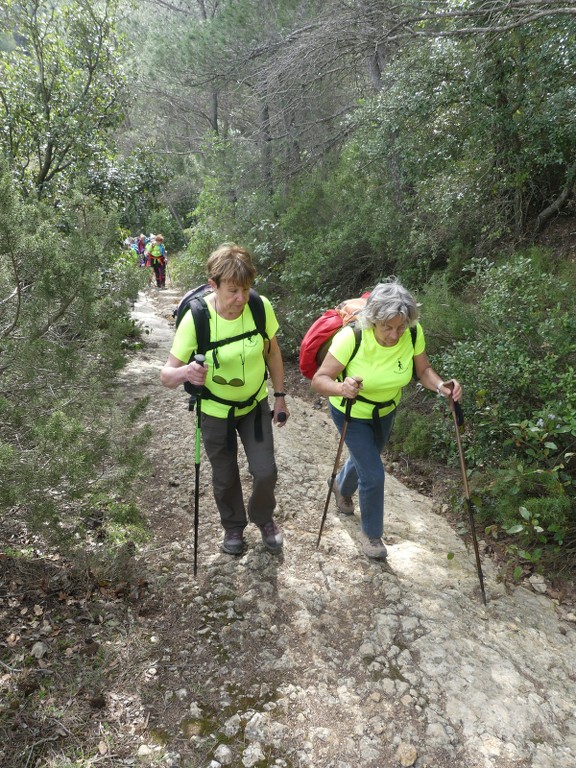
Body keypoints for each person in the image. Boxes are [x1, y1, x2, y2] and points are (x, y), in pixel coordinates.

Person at [311, 279, 462, 560]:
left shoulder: (413, 334)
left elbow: (424, 370)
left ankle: (341, 486)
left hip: (386, 410)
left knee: (367, 457)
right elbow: (319, 381)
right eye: (387, 327)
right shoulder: (352, 337)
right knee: (373, 472)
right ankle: (372, 536)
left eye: (400, 327)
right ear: (373, 321)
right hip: (350, 411)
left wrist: (442, 386)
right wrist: (341, 388)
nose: (394, 335)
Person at [160, 243, 289, 556]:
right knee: (225, 474)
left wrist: (281, 395)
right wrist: (187, 372)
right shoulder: (197, 317)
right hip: (215, 410)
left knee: (265, 471)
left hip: (254, 405)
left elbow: (272, 353)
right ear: (213, 285)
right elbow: (166, 376)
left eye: (245, 289)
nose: (240, 299)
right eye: (232, 290)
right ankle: (233, 527)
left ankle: (263, 518)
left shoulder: (259, 307)